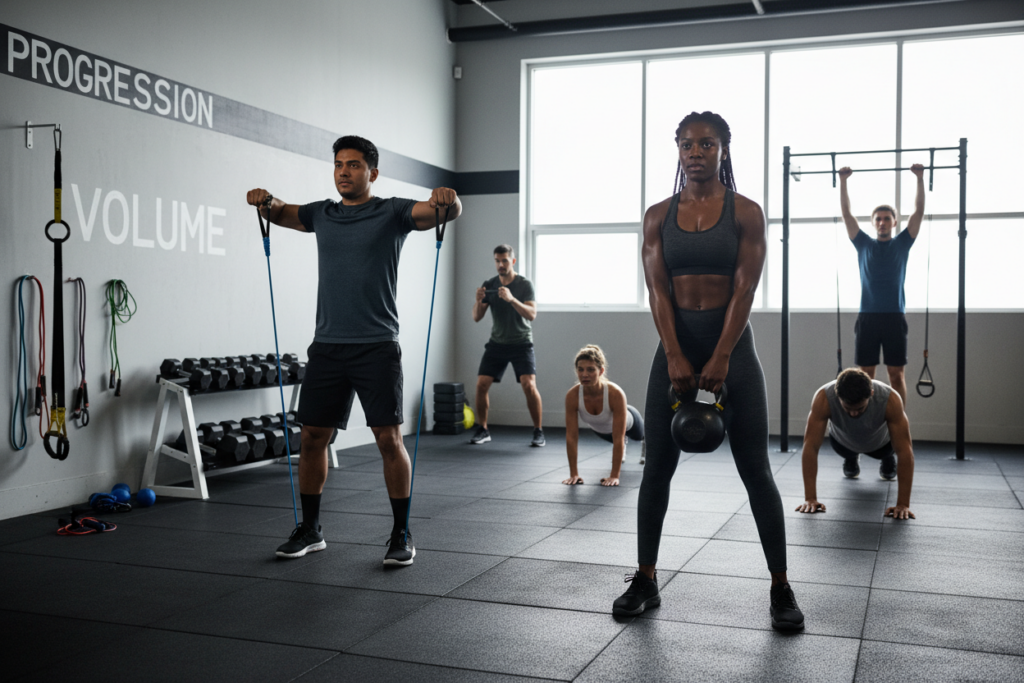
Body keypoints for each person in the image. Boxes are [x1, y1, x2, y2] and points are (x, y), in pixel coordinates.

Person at [613, 111, 803, 631]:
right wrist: (674, 353)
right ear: (677, 148)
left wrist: (720, 355)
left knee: (757, 471)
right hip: (674, 348)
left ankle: (781, 587)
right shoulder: (657, 215)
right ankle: (646, 579)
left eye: (708, 144)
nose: (697, 152)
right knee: (656, 469)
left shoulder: (746, 212)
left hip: (733, 350)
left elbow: (744, 289)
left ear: (723, 149)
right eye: (688, 144)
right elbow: (658, 290)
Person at [245, 135, 461, 566]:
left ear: (372, 173)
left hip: (377, 346)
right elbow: (281, 211)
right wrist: (263, 199)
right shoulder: (322, 214)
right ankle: (310, 529)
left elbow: (443, 211)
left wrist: (449, 199)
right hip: (327, 347)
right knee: (312, 438)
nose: (344, 171)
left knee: (388, 439)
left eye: (354, 165)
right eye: (339, 165)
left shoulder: (393, 211)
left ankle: (400, 532)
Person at [839, 163, 926, 403]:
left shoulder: (902, 243)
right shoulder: (863, 243)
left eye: (887, 219)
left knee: (896, 376)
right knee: (865, 375)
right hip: (868, 317)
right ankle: (868, 422)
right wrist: (844, 181)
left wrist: (919, 178)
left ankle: (898, 422)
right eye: (878, 219)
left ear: (895, 222)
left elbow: (918, 212)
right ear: (873, 223)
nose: (882, 222)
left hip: (894, 317)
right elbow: (847, 214)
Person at [796, 367, 916, 520]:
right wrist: (810, 499)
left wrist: (903, 504)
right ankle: (851, 458)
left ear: (871, 394)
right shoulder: (824, 397)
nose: (853, 413)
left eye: (859, 408)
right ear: (838, 395)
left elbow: (905, 451)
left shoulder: (890, 399)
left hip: (881, 446)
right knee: (844, 450)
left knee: (890, 449)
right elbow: (810, 447)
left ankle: (887, 459)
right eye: (848, 408)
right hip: (843, 444)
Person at [469, 244, 544, 447]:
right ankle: (483, 429)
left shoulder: (524, 285)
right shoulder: (490, 284)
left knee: (529, 385)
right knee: (481, 384)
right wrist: (477, 301)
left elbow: (532, 315)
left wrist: (511, 299)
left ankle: (538, 431)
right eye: (497, 260)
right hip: (497, 343)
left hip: (521, 342)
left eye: (504, 260)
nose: (500, 264)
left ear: (513, 261)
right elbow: (477, 317)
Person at [562, 345, 646, 487]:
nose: (584, 374)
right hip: (602, 430)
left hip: (629, 421)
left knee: (640, 436)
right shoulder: (572, 396)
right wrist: (574, 474)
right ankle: (625, 447)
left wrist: (614, 476)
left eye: (590, 369)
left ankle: (645, 442)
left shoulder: (615, 393)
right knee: (615, 439)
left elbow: (618, 437)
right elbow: (571, 437)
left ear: (601, 371)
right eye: (580, 369)